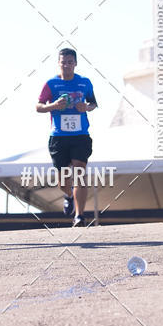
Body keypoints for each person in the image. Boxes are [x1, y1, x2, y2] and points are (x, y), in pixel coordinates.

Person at [36, 48, 97, 227]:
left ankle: (79, 216)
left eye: (70, 62)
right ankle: (68, 195)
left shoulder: (85, 83)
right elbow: (38, 106)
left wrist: (85, 107)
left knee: (79, 172)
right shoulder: (51, 84)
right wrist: (53, 105)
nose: (67, 65)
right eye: (63, 62)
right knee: (63, 179)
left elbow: (93, 103)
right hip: (58, 137)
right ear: (58, 63)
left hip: (80, 135)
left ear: (75, 63)